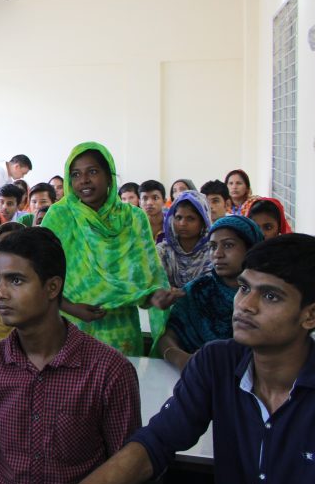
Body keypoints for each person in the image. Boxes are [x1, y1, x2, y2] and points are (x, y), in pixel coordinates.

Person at [7, 233, 315, 484]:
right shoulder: (218, 362)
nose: (246, 305)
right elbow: (155, 443)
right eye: (244, 288)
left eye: (271, 296)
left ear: (312, 315)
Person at [0, 228, 141, 484]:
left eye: (16, 280)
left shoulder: (109, 370)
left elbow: (127, 469)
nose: (0, 293)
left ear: (52, 287)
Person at [41, 144, 174, 356]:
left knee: (119, 376)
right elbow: (39, 274)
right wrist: (71, 307)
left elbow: (148, 277)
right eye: (76, 174)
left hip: (120, 331)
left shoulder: (133, 218)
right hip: (68, 326)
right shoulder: (59, 217)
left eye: (93, 171)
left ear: (109, 177)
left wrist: (155, 296)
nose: (84, 180)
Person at [156, 216, 264, 371]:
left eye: (228, 245)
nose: (218, 254)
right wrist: (182, 359)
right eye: (213, 246)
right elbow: (168, 336)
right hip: (195, 376)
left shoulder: (266, 297)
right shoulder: (198, 290)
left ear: (251, 248)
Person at [156, 190, 213, 289]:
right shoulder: (163, 251)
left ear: (203, 222)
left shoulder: (212, 252)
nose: (182, 223)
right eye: (178, 218)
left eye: (190, 218)